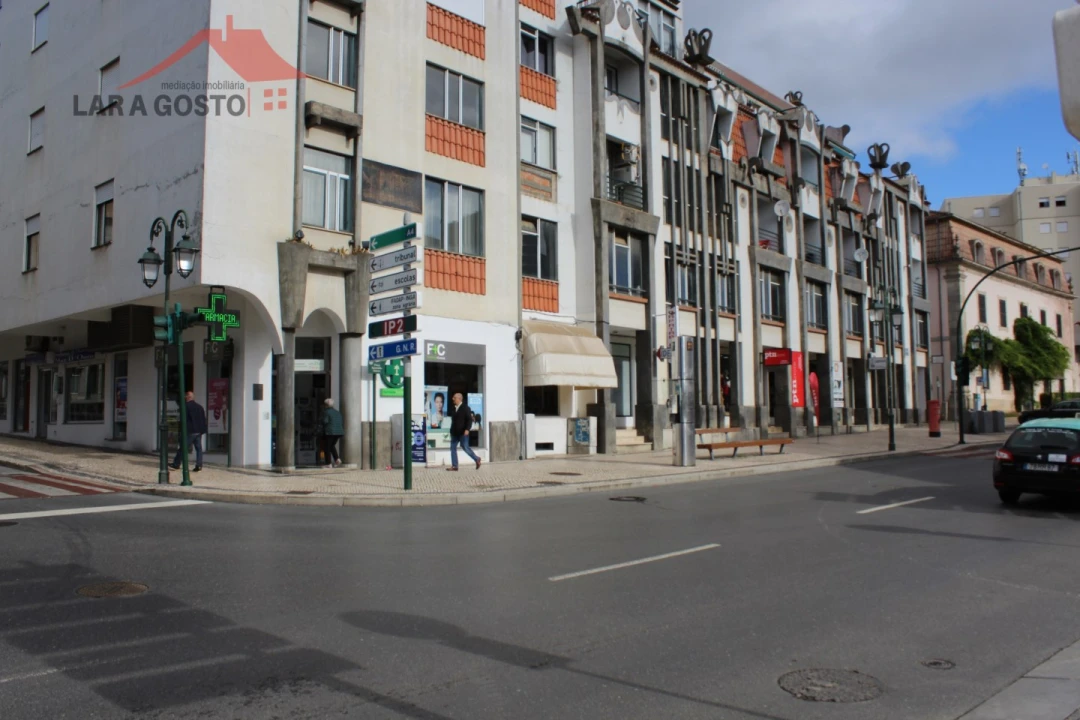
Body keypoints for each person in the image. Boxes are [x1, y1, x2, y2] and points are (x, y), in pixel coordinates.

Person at [171, 390, 207, 472]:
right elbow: (203, 419)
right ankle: (199, 465)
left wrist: (181, 430)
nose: (184, 397)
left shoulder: (185, 406)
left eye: (185, 396)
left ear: (188, 397)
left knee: (183, 448)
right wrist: (202, 430)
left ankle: (176, 464)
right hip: (198, 431)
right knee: (198, 449)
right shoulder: (200, 407)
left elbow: (183, 419)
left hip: (190, 431)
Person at [447, 392, 481, 471]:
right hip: (455, 433)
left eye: (454, 398)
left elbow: (469, 420)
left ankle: (476, 459)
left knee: (465, 447)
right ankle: (455, 466)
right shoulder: (454, 408)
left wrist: (467, 429)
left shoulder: (465, 408)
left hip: (463, 432)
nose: (453, 399)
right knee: (453, 448)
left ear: (459, 399)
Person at [319, 398, 344, 467]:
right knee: (331, 446)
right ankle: (337, 459)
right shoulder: (337, 412)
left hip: (330, 432)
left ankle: (328, 464)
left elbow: (325, 421)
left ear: (326, 405)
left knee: (326, 447)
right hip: (339, 432)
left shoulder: (326, 412)